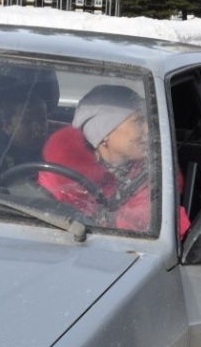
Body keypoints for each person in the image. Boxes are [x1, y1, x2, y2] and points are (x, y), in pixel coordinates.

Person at [39, 84, 188, 237]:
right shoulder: (59, 180)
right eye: (138, 122)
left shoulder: (151, 177)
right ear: (104, 134)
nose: (148, 130)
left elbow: (172, 232)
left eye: (147, 121)